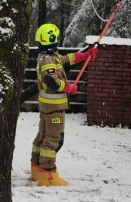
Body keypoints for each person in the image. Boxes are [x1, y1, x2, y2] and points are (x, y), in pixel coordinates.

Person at [31, 23, 97, 187]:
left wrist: (86, 55)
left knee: (42, 137)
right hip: (54, 108)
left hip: (47, 107)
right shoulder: (48, 61)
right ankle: (47, 174)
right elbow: (51, 81)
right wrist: (69, 88)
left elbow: (68, 59)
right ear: (52, 40)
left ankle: (36, 169)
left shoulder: (49, 57)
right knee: (53, 140)